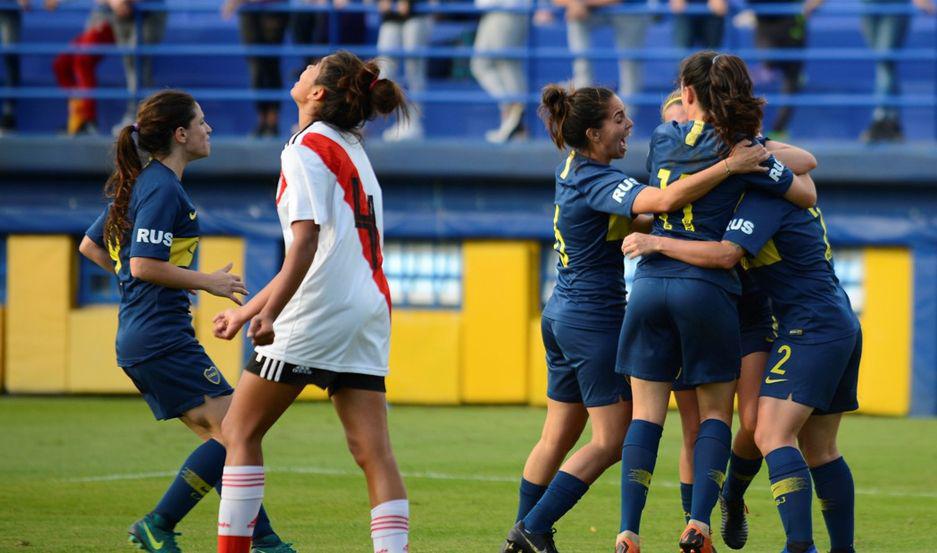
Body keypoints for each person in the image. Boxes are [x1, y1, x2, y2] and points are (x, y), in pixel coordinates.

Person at [500, 83, 772, 553]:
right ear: (593, 131)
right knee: (611, 439)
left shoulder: (572, 169)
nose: (629, 126)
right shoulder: (597, 178)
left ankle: (519, 534)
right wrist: (729, 166)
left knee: (557, 435)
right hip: (593, 319)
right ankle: (532, 529)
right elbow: (661, 203)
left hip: (561, 312)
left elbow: (647, 217)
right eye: (619, 118)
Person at [613, 51, 818, 553]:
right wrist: (746, 155)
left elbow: (661, 200)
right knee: (708, 421)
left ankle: (631, 530)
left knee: (658, 417)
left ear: (688, 99)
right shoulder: (741, 155)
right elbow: (806, 174)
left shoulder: (661, 142)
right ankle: (697, 523)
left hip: (662, 289)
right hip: (708, 294)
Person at [77, 90, 294, 553]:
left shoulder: (142, 183)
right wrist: (208, 282)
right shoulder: (160, 188)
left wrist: (136, 286)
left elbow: (92, 246)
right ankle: (159, 523)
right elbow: (142, 265)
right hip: (159, 337)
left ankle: (266, 540)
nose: (208, 128)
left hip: (146, 336)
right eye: (201, 121)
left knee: (231, 438)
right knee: (239, 431)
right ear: (180, 134)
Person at [212, 51, 410, 553]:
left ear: (318, 93)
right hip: (367, 306)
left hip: (318, 306)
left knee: (238, 428)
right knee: (374, 453)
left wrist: (270, 314)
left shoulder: (303, 148)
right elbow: (323, 250)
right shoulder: (353, 148)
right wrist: (246, 310)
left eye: (312, 69)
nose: (302, 71)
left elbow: (303, 246)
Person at [621, 161, 860, 553]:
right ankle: (836, 547)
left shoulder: (760, 198)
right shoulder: (776, 179)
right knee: (819, 448)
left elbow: (726, 254)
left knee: (769, 432)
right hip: (835, 320)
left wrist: (656, 242)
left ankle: (797, 544)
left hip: (808, 325)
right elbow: (804, 165)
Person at [805, 0, 935, 141]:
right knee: (885, 64)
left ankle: (881, 118)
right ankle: (892, 122)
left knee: (884, 59)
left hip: (895, 6)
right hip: (870, 7)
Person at [559, 0, 649, 114]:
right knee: (575, 18)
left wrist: (582, 3)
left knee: (631, 73)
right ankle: (582, 83)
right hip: (593, 9)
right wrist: (573, 3)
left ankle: (625, 121)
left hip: (631, 9)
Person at [223, 0, 290, 138]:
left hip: (273, 8)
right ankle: (262, 121)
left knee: (271, 63)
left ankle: (272, 122)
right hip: (249, 10)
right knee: (256, 66)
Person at [471, 0, 530, 143]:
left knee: (507, 65)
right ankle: (513, 120)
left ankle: (514, 118)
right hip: (497, 12)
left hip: (506, 10)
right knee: (483, 65)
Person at [748, 0, 807, 138]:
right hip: (766, 24)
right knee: (769, 65)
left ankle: (778, 130)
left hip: (792, 25)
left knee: (793, 79)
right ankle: (749, 128)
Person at [377, 0, 433, 141]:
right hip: (391, 16)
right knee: (384, 70)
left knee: (414, 70)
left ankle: (413, 123)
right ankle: (399, 121)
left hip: (417, 12)